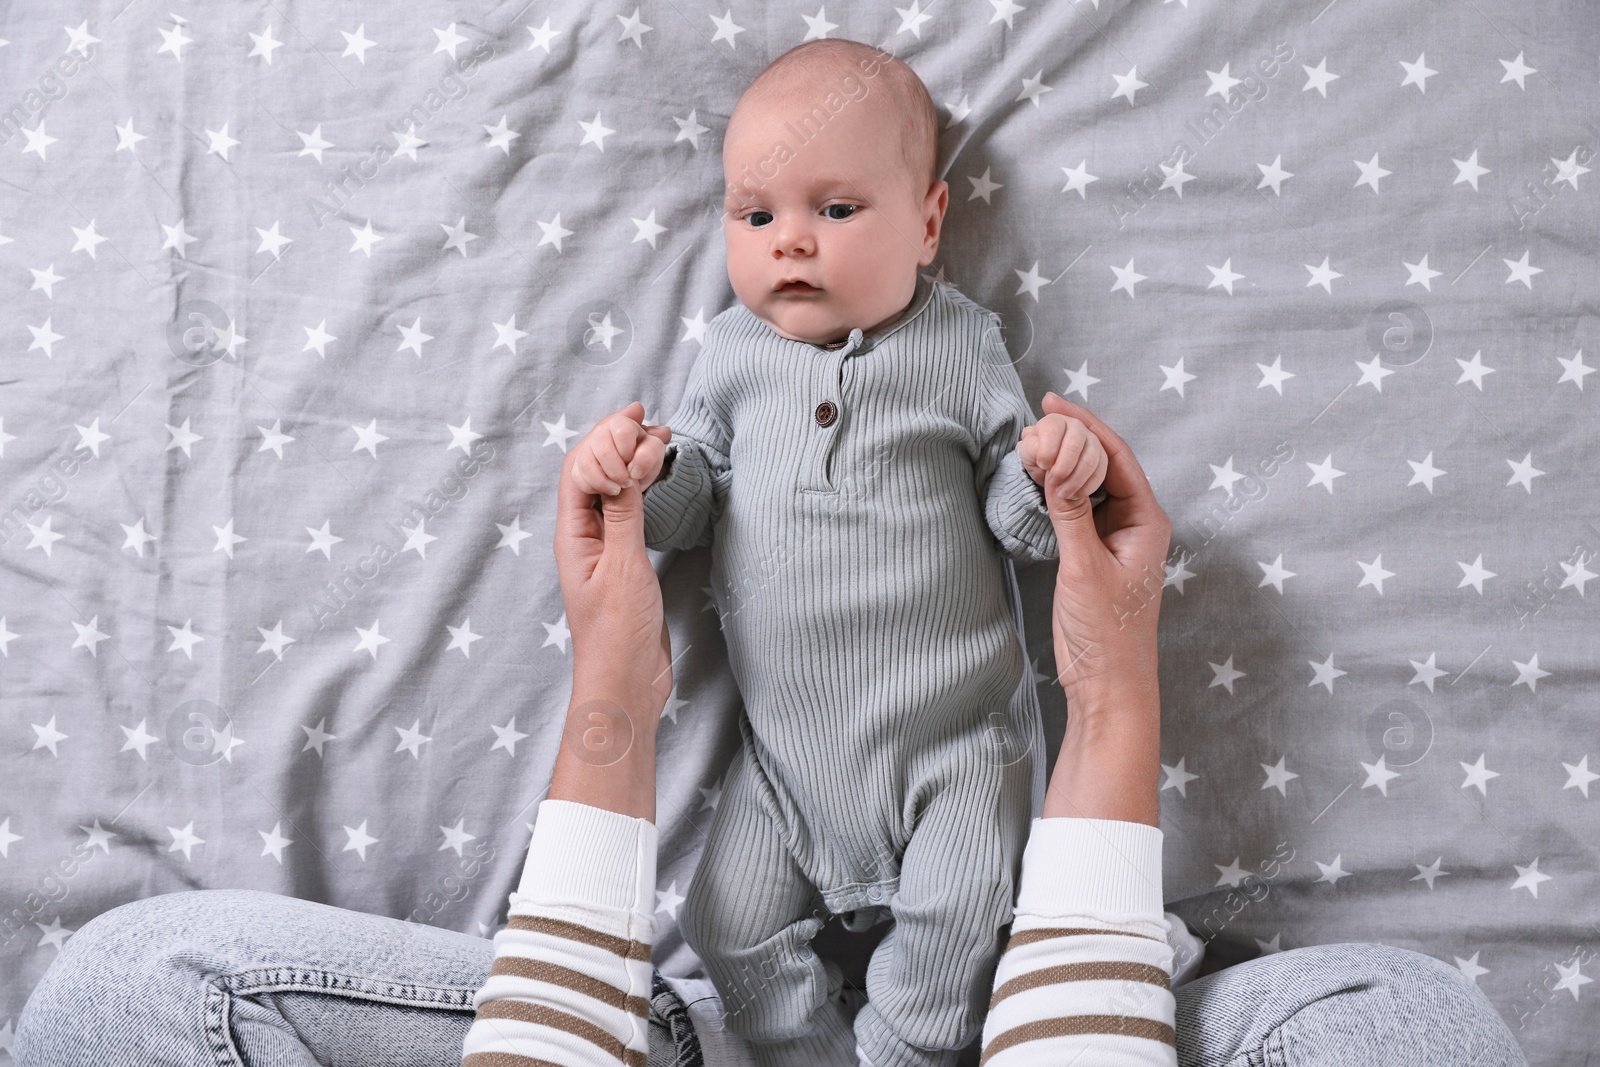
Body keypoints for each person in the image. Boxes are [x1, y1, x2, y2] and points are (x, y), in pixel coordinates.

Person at [13, 394, 1527, 1067]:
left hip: (678, 1017)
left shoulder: (934, 358)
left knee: (130, 989)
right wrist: (1109, 694)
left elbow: (981, 473)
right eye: (757, 216)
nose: (788, 246)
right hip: (1039, 1006)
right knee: (1404, 1025)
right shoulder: (786, 360)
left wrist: (615, 697)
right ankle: (1044, 1000)